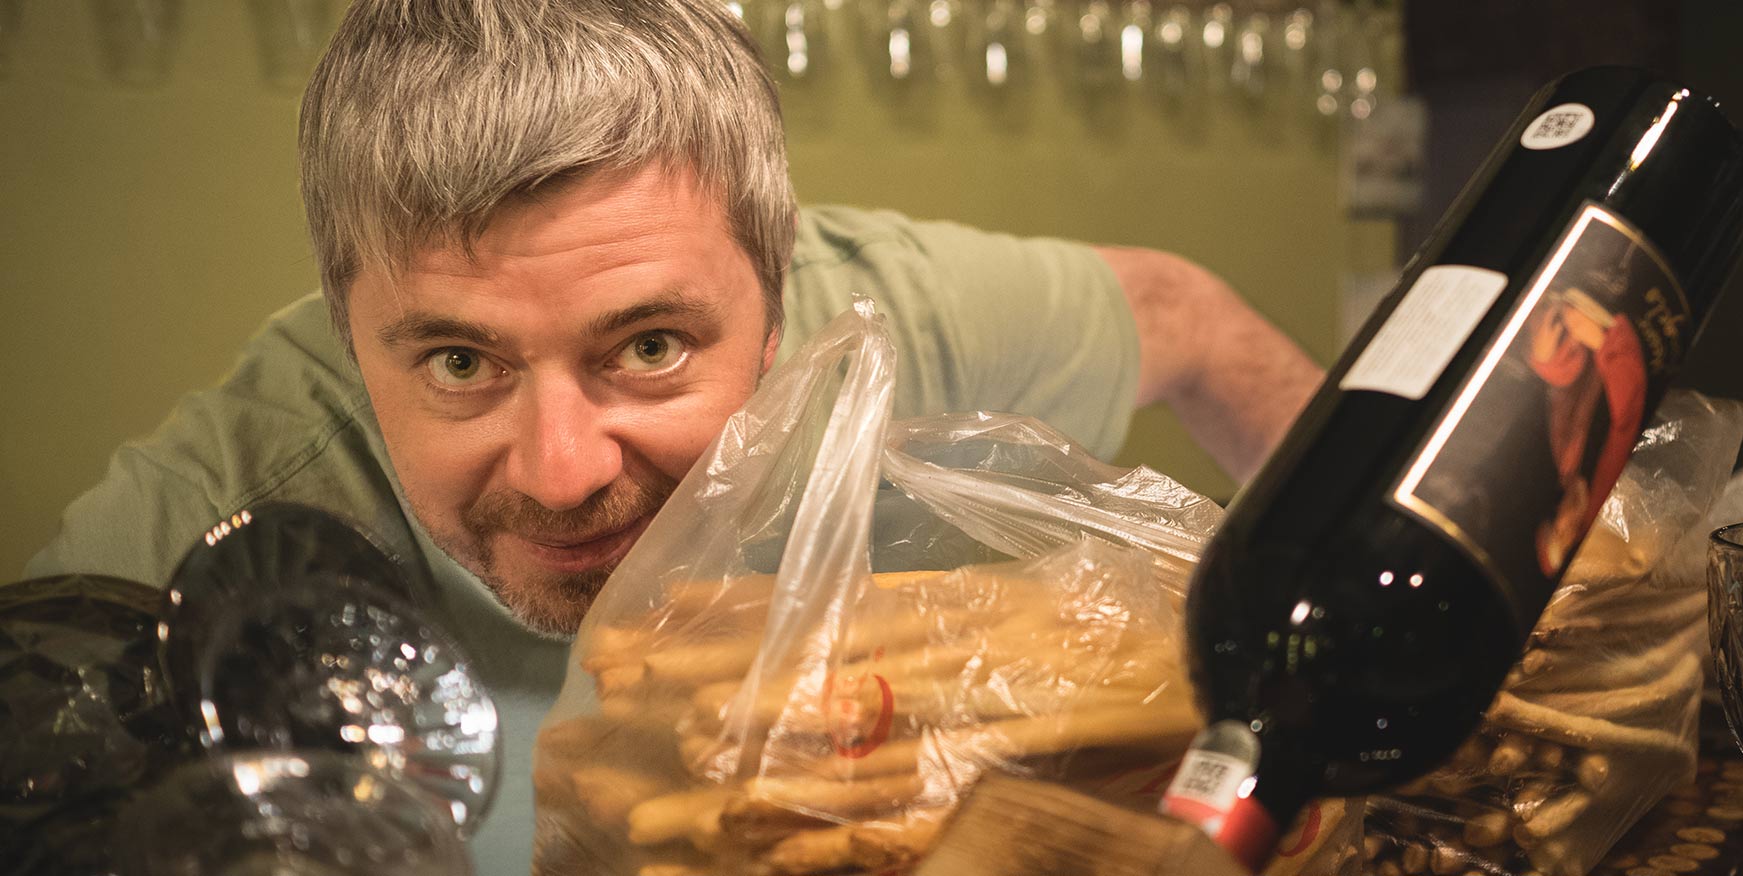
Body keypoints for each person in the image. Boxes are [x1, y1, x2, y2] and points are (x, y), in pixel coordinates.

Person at [22, 0, 1322, 867]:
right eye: (460, 361)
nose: (565, 469)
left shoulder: (889, 316)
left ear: (775, 299)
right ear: (348, 327)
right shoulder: (208, 522)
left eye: (647, 348)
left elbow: (1182, 313)